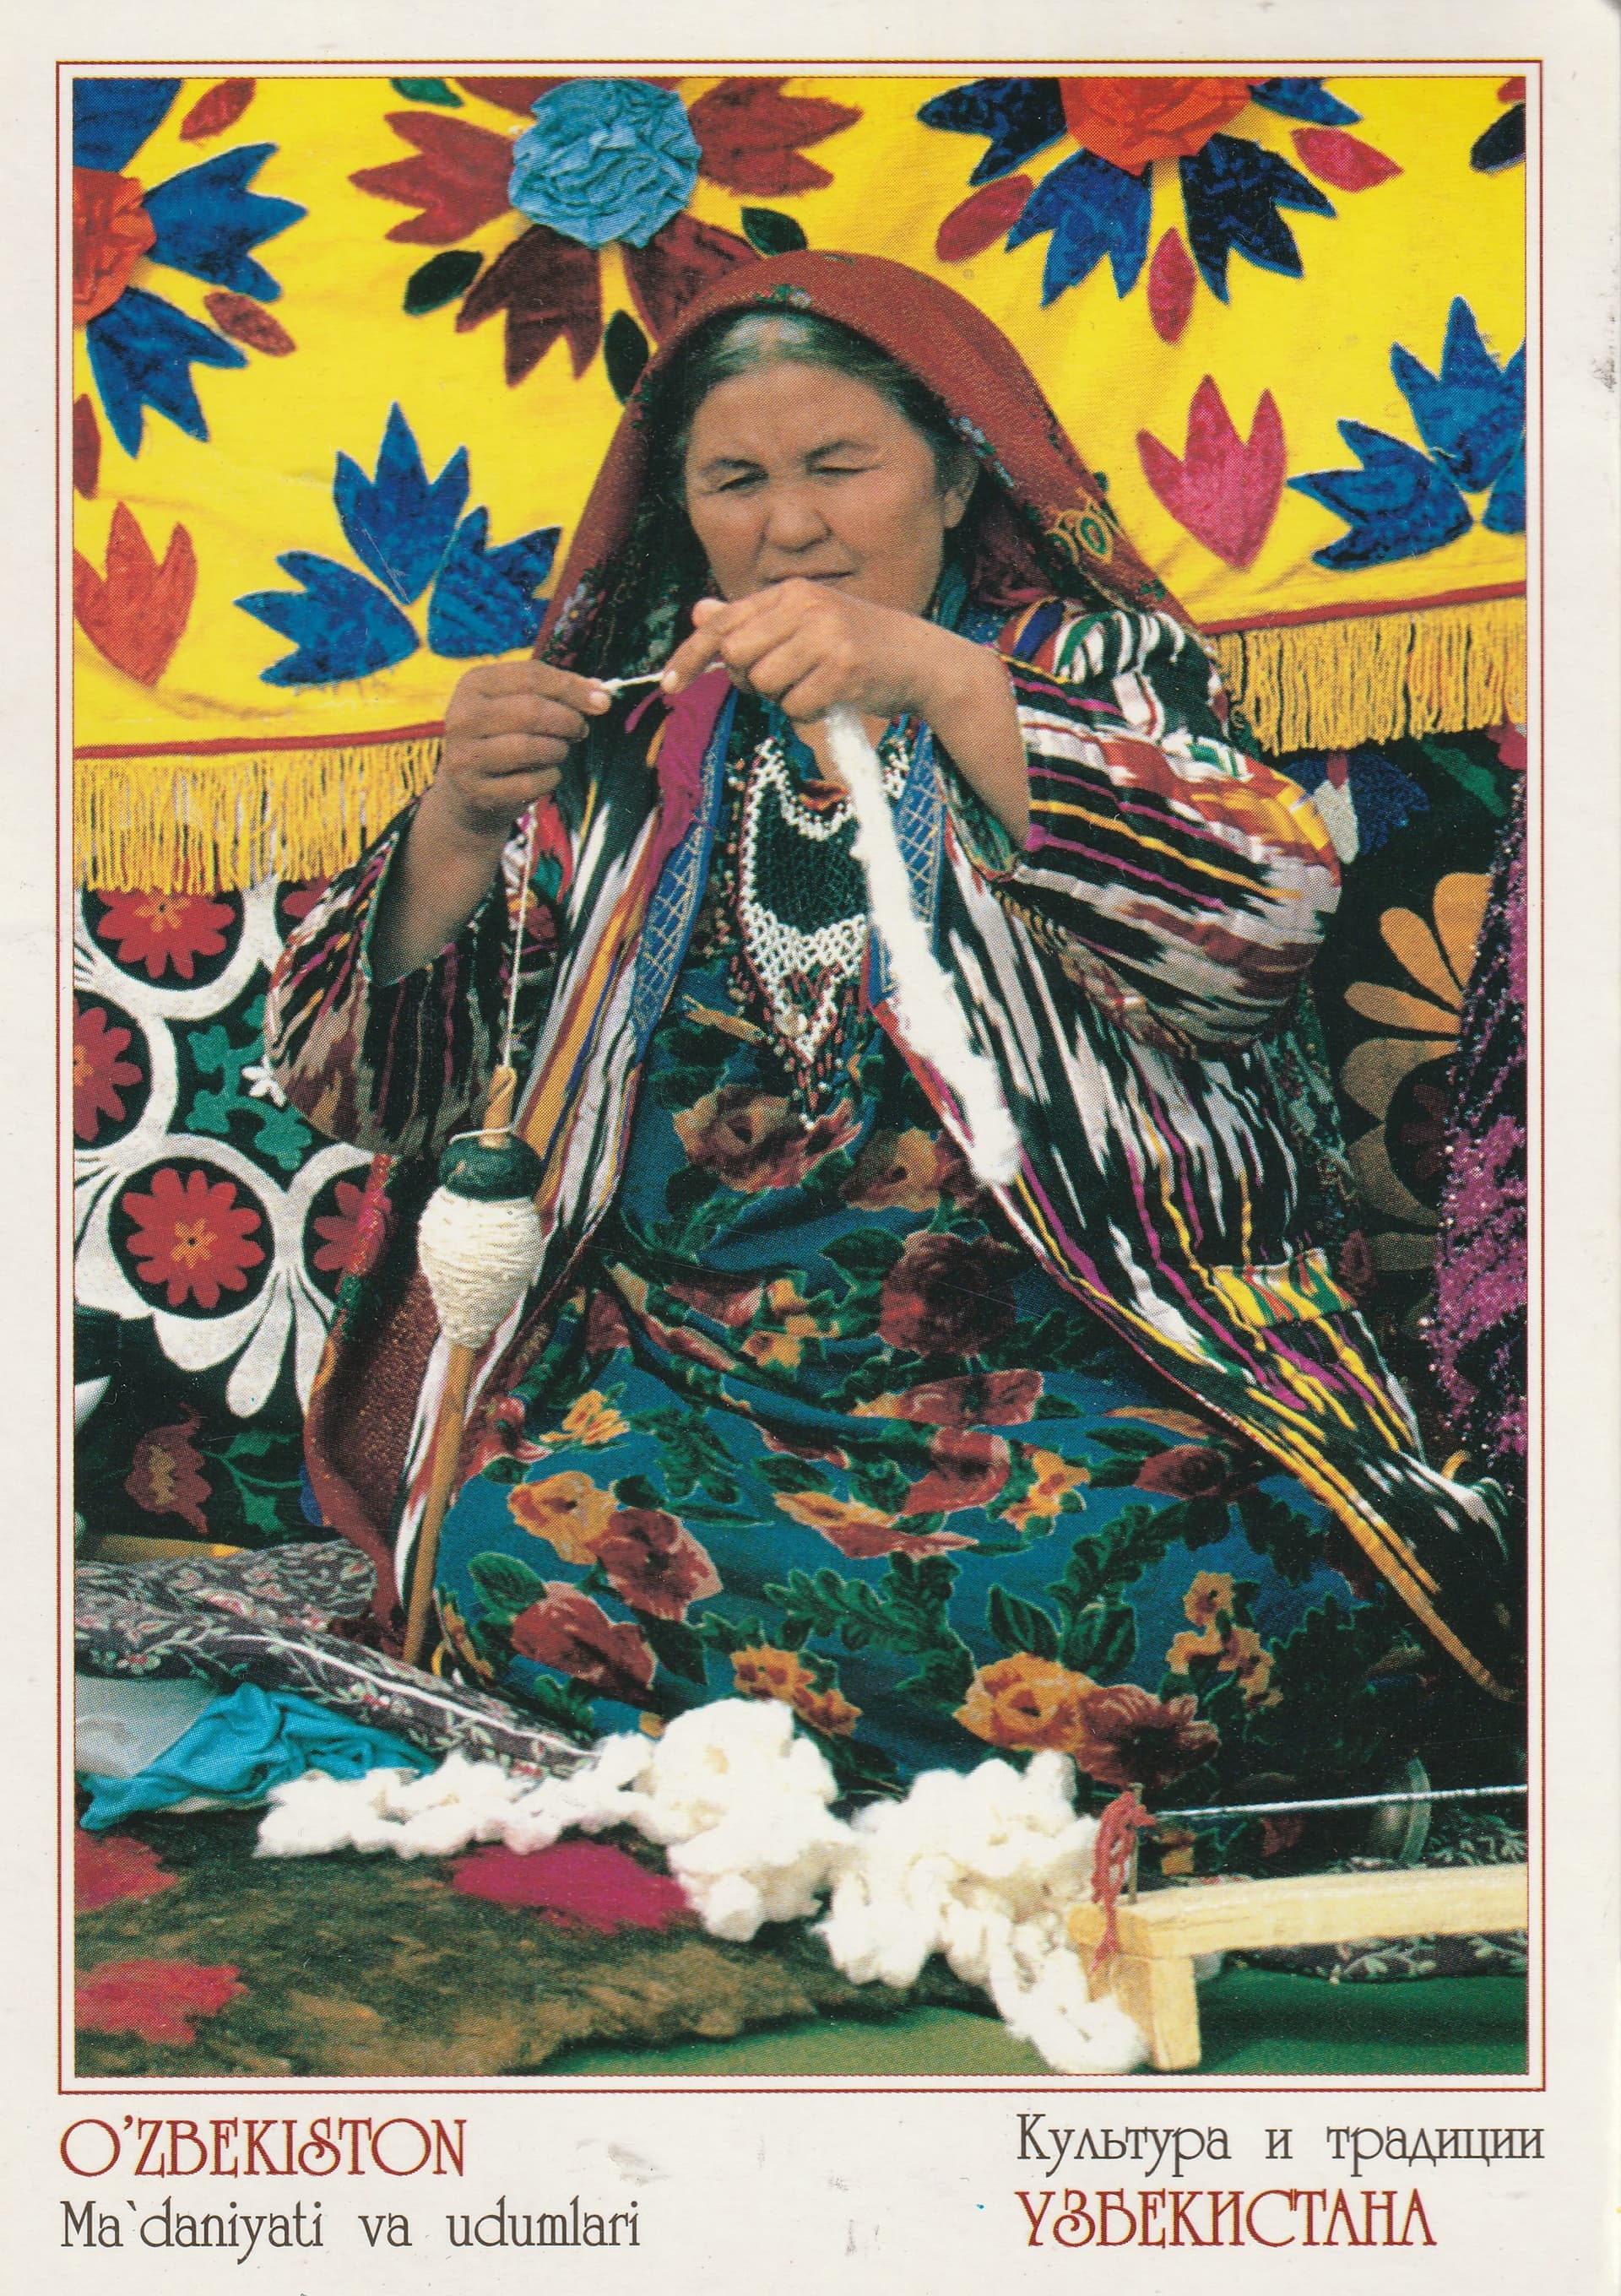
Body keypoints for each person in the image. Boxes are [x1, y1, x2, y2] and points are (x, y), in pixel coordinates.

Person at [268, 254, 1517, 1863]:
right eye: (736, 482)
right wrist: (454, 820)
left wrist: (942, 680)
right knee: (511, 1550)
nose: (790, 526)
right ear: (685, 515)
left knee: (1175, 1611)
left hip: (1085, 1378)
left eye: (839, 466)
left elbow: (1258, 945)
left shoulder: (1093, 674)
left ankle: (778, 1776)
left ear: (955, 475)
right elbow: (365, 1093)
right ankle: (993, 1803)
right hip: (693, 1391)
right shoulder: (628, 743)